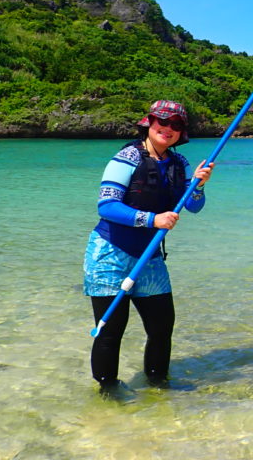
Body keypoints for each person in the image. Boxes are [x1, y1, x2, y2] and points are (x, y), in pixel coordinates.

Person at [83, 99, 214, 400]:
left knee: (161, 327)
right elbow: (107, 206)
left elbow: (193, 207)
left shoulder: (179, 164)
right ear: (149, 122)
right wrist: (152, 219)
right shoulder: (126, 157)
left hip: (150, 258)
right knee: (111, 329)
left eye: (176, 125)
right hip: (110, 254)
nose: (168, 129)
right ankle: (108, 388)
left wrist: (200, 185)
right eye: (162, 122)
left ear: (182, 133)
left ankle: (158, 384)